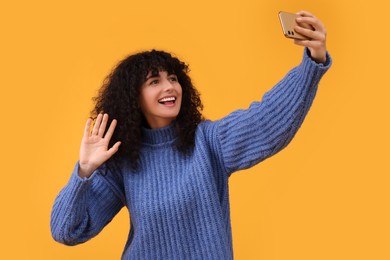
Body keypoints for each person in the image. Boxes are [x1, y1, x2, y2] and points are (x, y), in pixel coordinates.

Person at [51, 11, 331, 259]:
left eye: (173, 78)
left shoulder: (209, 142)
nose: (169, 87)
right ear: (133, 98)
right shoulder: (121, 161)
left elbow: (268, 120)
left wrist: (312, 63)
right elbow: (67, 231)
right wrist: (85, 172)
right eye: (154, 81)